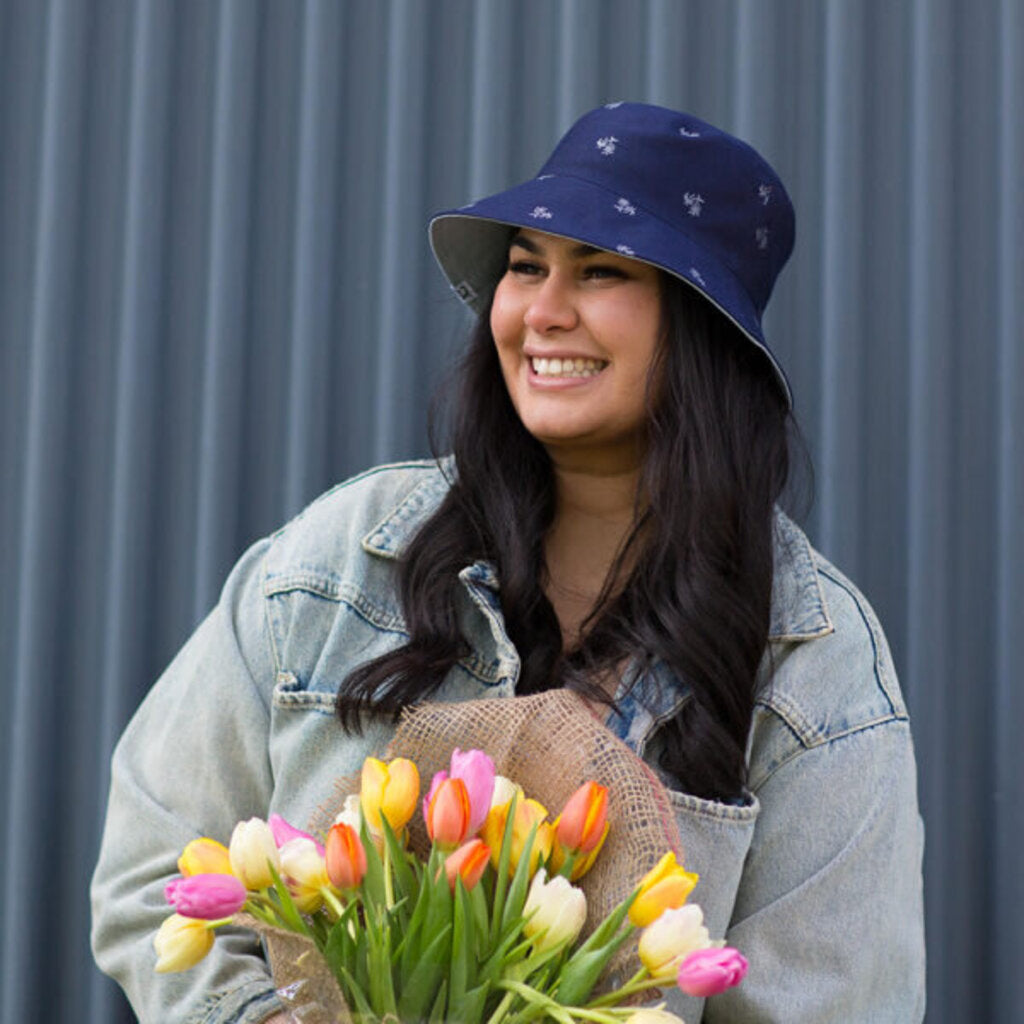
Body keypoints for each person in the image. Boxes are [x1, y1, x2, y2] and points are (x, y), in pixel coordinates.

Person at [91, 102, 925, 1022]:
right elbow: (152, 866)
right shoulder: (338, 561)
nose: (542, 312)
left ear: (701, 327)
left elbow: (839, 1002)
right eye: (526, 267)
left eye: (601, 271)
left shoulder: (812, 660)